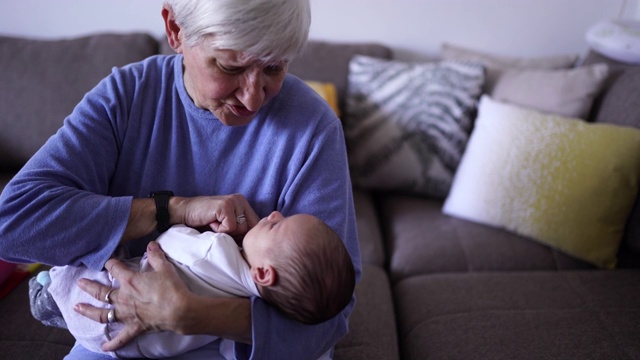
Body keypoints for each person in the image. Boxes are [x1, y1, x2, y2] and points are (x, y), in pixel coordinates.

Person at [0, 0, 361, 358]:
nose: (253, 98)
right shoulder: (127, 96)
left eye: (273, 68)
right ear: (175, 30)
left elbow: (330, 314)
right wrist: (170, 210)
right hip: (120, 338)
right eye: (229, 66)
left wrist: (191, 315)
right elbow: (11, 224)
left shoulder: (313, 128)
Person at [30, 211, 356, 359]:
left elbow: (171, 242)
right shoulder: (255, 310)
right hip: (136, 350)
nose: (272, 214)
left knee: (96, 255)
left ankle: (48, 291)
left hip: (107, 306)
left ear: (264, 274)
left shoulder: (219, 250)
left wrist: (184, 223)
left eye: (274, 227)